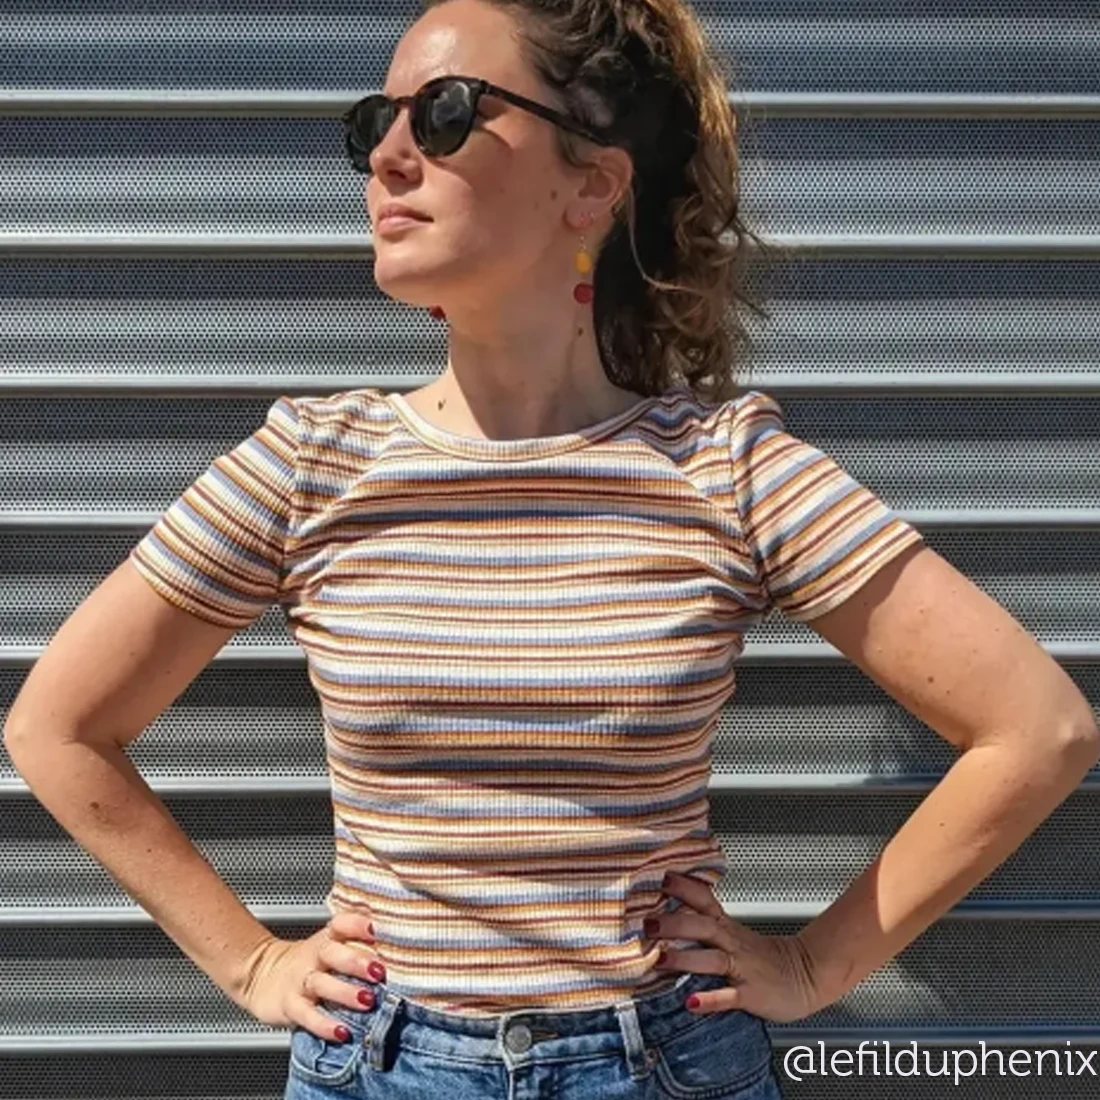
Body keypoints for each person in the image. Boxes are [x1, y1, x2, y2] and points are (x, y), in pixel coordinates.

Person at [6, 1, 1097, 1098]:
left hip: (660, 1064)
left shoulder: (725, 468)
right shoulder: (310, 463)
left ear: (591, 185)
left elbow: (1036, 727)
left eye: (444, 113)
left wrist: (815, 965)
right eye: (374, 123)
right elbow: (58, 726)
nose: (387, 156)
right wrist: (249, 961)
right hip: (381, 1068)